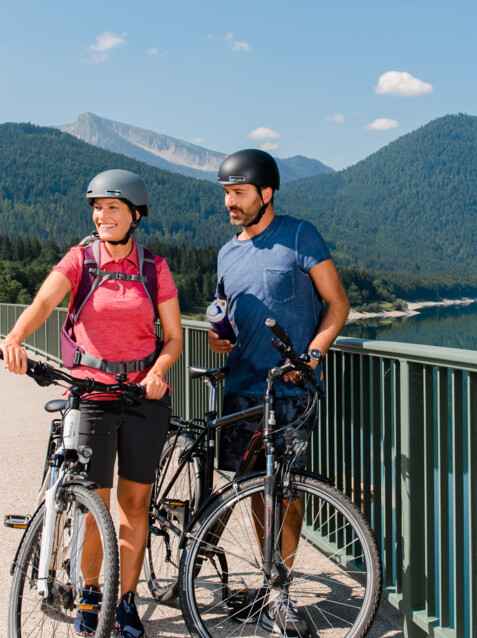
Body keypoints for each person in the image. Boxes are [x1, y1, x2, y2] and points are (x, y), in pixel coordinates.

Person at [0, 169, 183, 638]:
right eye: (97, 208)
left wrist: (160, 371)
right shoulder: (80, 260)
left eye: (113, 208)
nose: (102, 215)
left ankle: (123, 601)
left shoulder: (153, 268)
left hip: (143, 397)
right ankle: (90, 596)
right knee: (95, 505)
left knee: (134, 505)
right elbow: (44, 302)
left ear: (135, 215)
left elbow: (175, 337)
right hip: (91, 398)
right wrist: (16, 336)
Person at [208, 149, 349, 633]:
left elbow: (337, 302)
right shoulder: (227, 251)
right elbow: (225, 316)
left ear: (266, 193)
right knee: (254, 489)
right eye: (227, 193)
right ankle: (270, 582)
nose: (231, 202)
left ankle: (280, 591)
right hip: (242, 387)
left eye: (239, 193)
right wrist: (220, 335)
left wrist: (314, 352)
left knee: (286, 491)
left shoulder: (299, 234)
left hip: (290, 390)